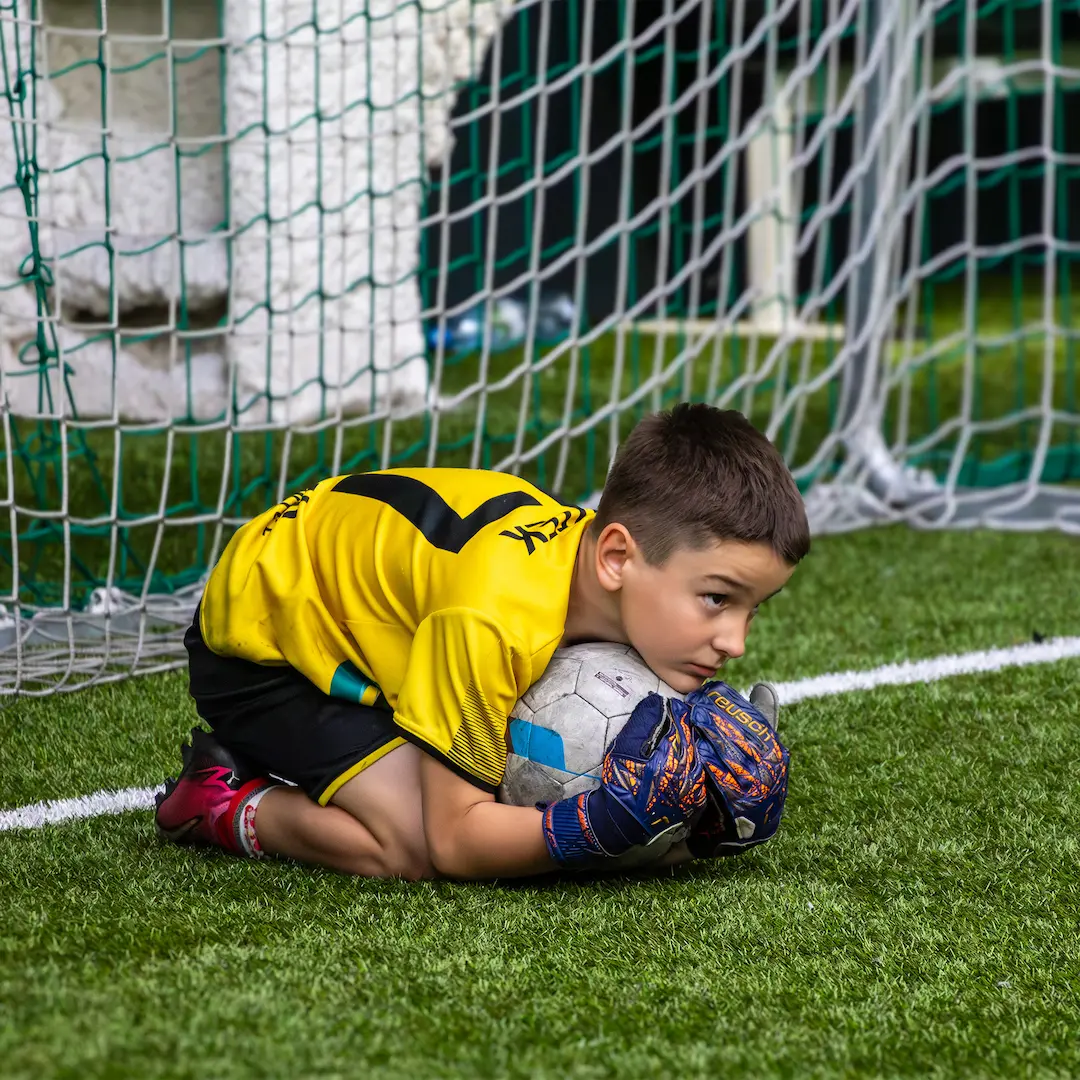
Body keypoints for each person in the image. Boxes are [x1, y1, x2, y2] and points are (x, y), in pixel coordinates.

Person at [154, 403, 810, 879]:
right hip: (266, 651)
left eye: (755, 609)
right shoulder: (495, 618)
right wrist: (602, 826)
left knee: (499, 787)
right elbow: (456, 841)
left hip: (367, 609)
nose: (736, 642)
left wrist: (700, 825)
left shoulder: (598, 567)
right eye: (718, 599)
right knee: (409, 847)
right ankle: (222, 801)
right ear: (616, 558)